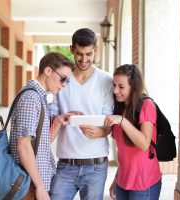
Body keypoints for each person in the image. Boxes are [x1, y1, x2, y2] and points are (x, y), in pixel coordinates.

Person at [49, 28, 114, 200]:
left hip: (96, 166)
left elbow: (110, 120)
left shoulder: (107, 80)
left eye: (88, 54)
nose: (83, 60)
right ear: (71, 49)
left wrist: (101, 132)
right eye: (79, 54)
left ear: (96, 51)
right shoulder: (62, 80)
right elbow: (52, 120)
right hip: (65, 165)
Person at [9, 52, 74, 200]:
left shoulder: (39, 97)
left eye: (67, 81)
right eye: (63, 79)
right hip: (28, 184)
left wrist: (57, 122)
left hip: (32, 182)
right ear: (48, 71)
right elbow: (24, 146)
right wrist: (39, 187)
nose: (64, 85)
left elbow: (40, 142)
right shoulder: (31, 98)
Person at [104, 64, 162, 200]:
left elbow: (144, 144)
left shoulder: (146, 105)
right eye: (114, 85)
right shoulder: (120, 108)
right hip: (123, 181)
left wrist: (122, 121)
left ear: (134, 87)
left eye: (121, 86)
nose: (115, 90)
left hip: (143, 183)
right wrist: (117, 179)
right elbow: (125, 153)